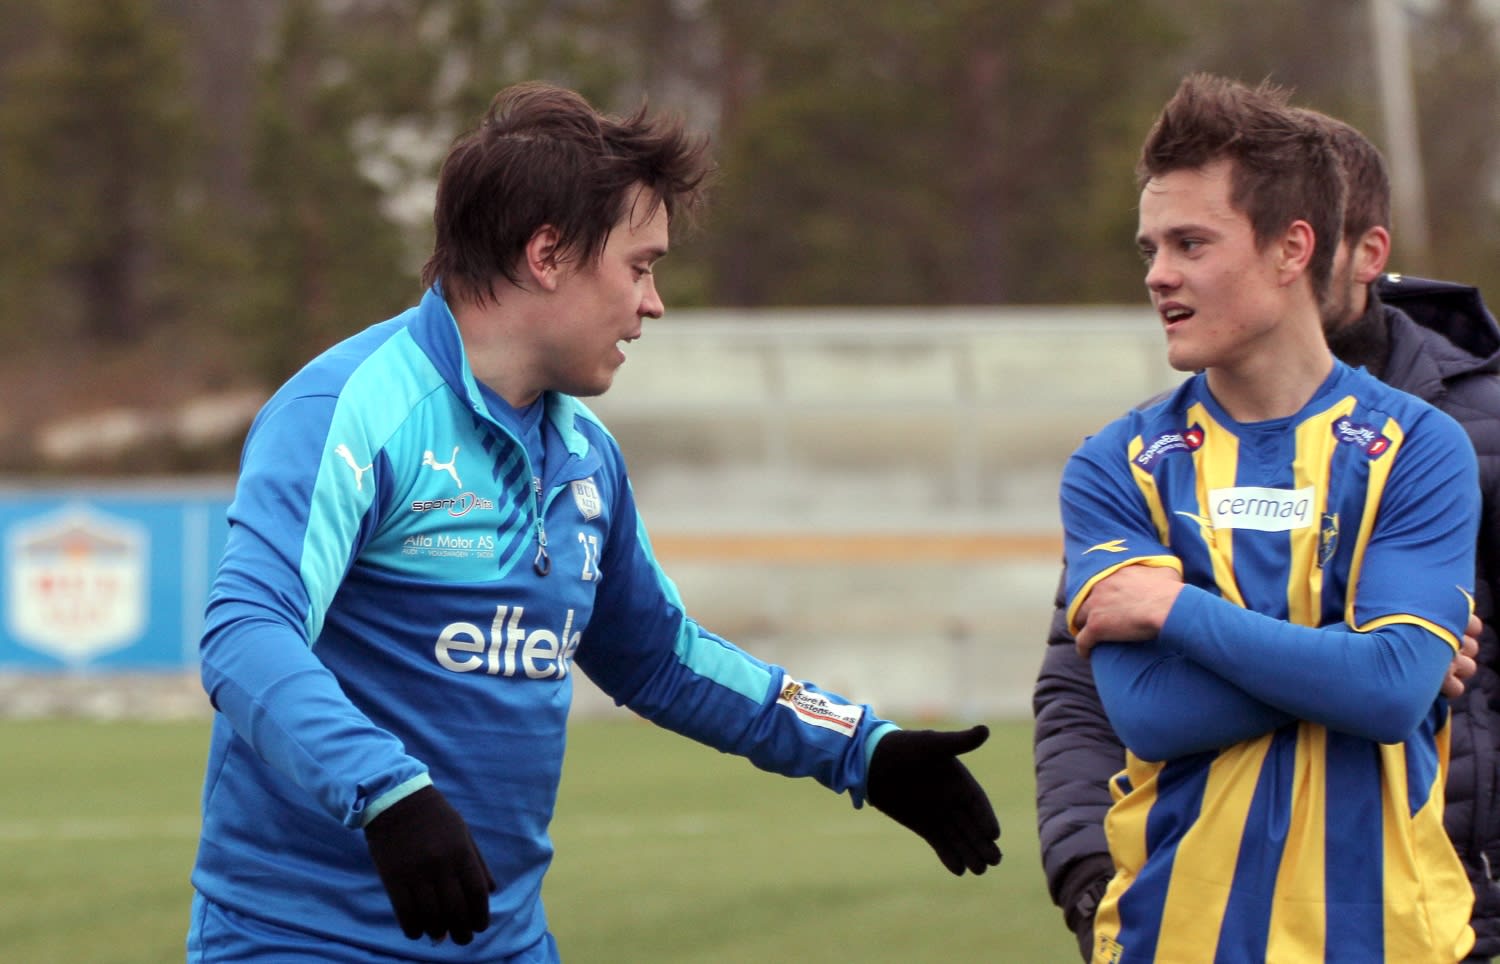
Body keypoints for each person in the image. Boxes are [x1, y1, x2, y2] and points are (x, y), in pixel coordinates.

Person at [185, 82, 1001, 962]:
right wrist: (386, 790)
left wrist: (862, 747)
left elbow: (660, 659)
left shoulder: (585, 455)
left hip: (503, 943)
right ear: (547, 255)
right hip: (300, 942)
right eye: (640, 267)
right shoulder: (348, 410)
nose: (654, 303)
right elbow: (247, 631)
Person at [1034, 100, 1500, 962]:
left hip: (1391, 939)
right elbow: (1151, 712)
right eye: (1151, 248)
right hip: (1174, 938)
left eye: (1191, 244)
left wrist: (1177, 612)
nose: (1158, 275)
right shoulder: (1114, 464)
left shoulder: (1419, 443)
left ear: (1292, 249)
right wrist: (1363, 658)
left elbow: (1392, 693)